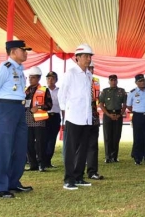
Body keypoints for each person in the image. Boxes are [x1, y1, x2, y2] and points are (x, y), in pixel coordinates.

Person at [0, 40, 33, 198]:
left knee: (20, 148)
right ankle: (1, 187)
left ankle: (13, 182)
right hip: (5, 109)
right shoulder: (4, 68)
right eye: (24, 50)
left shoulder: (20, 70)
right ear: (14, 51)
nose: (26, 53)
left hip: (19, 109)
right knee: (4, 149)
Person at [58, 44, 95, 190]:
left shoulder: (89, 75)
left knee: (83, 149)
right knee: (70, 150)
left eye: (90, 56)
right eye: (86, 56)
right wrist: (65, 113)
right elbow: (62, 94)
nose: (88, 58)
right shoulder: (71, 73)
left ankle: (79, 177)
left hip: (86, 117)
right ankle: (69, 179)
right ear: (77, 58)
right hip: (73, 117)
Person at [25, 66, 52, 172]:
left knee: (40, 143)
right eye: (29, 77)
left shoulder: (44, 90)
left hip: (39, 121)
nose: (30, 79)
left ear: (38, 78)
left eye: (33, 77)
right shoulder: (25, 90)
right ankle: (33, 164)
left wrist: (39, 107)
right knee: (28, 143)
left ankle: (42, 164)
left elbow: (49, 105)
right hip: (27, 120)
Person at [127, 74, 145, 165]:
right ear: (136, 83)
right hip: (138, 116)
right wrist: (137, 111)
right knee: (138, 137)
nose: (143, 82)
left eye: (143, 80)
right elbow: (128, 105)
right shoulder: (132, 93)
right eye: (140, 81)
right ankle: (137, 158)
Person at [99, 74, 127, 163]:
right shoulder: (105, 91)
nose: (113, 82)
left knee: (116, 136)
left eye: (115, 80)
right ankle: (108, 157)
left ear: (117, 81)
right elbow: (101, 105)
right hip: (108, 115)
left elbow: (125, 104)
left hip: (118, 114)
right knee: (107, 136)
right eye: (111, 80)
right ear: (109, 81)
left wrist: (120, 114)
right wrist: (108, 114)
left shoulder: (122, 91)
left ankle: (114, 157)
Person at [86, 62, 104, 180]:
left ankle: (92, 172)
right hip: (80, 117)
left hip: (93, 116)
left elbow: (97, 100)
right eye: (88, 68)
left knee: (93, 145)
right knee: (79, 146)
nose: (90, 70)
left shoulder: (96, 81)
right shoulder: (77, 79)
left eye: (91, 68)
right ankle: (77, 172)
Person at [44, 71, 63, 168]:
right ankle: (41, 160)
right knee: (43, 139)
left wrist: (63, 120)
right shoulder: (42, 90)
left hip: (55, 116)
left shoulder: (60, 91)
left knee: (52, 139)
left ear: (56, 80)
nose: (50, 80)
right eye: (48, 78)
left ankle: (48, 161)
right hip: (44, 117)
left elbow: (63, 106)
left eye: (52, 78)